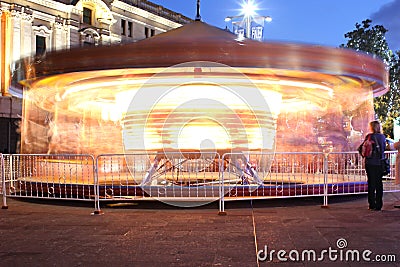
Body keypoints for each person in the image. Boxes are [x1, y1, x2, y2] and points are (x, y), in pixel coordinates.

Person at [362, 121, 386, 211]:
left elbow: (363, 149)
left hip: (370, 162)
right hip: (379, 163)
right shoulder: (382, 137)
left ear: (371, 127)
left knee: (371, 183)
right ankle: (379, 204)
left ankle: (372, 204)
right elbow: (383, 149)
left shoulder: (369, 136)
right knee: (379, 183)